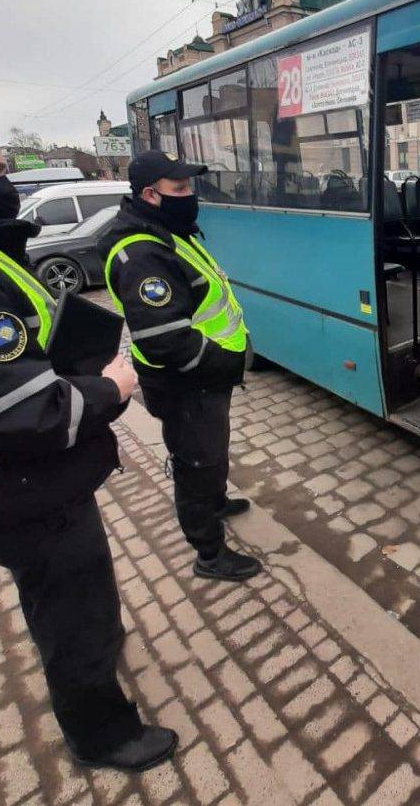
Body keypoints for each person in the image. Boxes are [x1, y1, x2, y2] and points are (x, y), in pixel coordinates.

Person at [0, 101, 177, 771]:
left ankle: (91, 664)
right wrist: (111, 387)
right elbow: (24, 414)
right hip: (11, 482)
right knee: (73, 605)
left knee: (55, 588)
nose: (3, 184)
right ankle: (102, 731)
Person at [99, 151, 261, 583]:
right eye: (181, 189)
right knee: (196, 466)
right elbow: (165, 340)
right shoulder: (141, 254)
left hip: (207, 380)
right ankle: (209, 553)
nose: (191, 196)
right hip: (186, 384)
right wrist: (224, 361)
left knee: (212, 454)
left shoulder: (166, 230)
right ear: (151, 194)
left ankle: (217, 502)